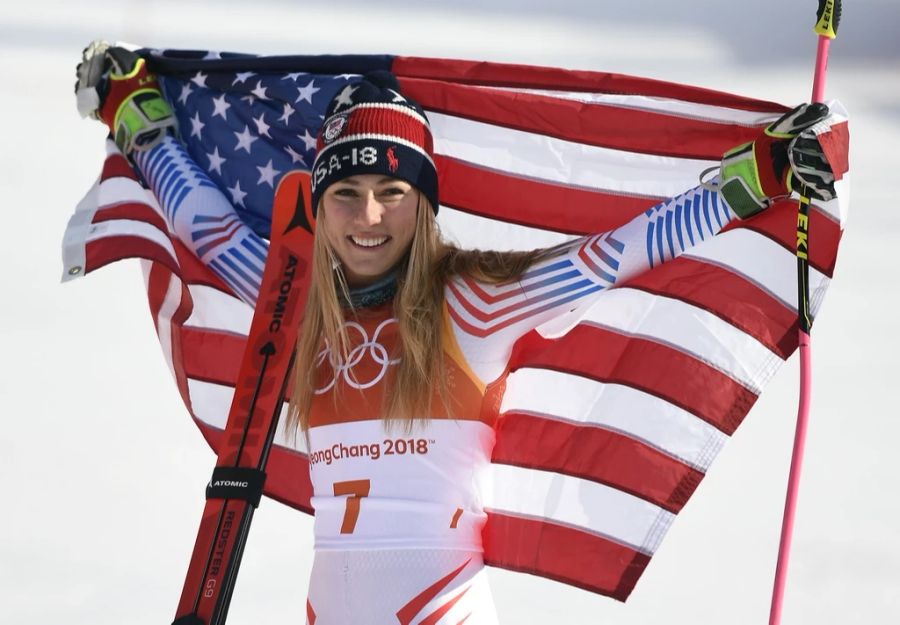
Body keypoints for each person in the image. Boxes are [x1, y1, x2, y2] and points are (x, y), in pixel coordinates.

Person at [76, 43, 846, 624]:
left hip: (438, 605)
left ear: (424, 204)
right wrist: (137, 115)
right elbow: (204, 227)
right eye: (344, 193)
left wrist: (758, 175)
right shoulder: (298, 301)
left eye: (390, 193)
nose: (368, 217)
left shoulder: (469, 304)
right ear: (319, 202)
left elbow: (611, 256)